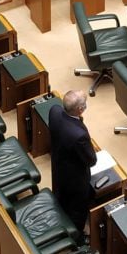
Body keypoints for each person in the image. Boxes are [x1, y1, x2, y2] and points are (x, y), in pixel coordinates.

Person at [48, 90, 97, 232]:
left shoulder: (54, 110)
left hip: (58, 164)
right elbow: (91, 160)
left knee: (61, 196)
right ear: (80, 110)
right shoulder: (79, 135)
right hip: (75, 178)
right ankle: (77, 237)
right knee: (78, 210)